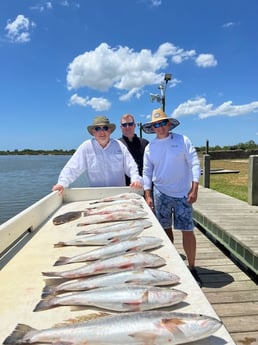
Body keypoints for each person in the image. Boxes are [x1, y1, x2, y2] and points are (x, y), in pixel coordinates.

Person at [142, 108, 202, 287]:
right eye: (156, 125)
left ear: (169, 124)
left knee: (187, 230)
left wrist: (195, 187)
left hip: (183, 193)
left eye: (162, 123)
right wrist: (148, 193)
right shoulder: (150, 147)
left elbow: (194, 163)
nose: (159, 127)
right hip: (160, 192)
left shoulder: (183, 140)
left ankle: (192, 267)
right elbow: (147, 171)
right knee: (165, 229)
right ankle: (172, 264)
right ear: (152, 128)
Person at [52, 116, 142, 194]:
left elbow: (131, 166)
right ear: (93, 132)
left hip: (119, 193)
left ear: (110, 131)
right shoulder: (86, 147)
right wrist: (62, 183)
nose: (102, 132)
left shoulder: (119, 145)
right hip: (96, 195)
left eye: (105, 128)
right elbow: (72, 168)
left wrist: (135, 179)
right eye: (98, 129)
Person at [119, 113, 149, 186]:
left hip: (145, 185)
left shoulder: (145, 143)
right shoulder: (117, 145)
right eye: (124, 125)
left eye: (130, 124)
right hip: (124, 187)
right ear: (121, 127)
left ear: (134, 125)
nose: (127, 127)